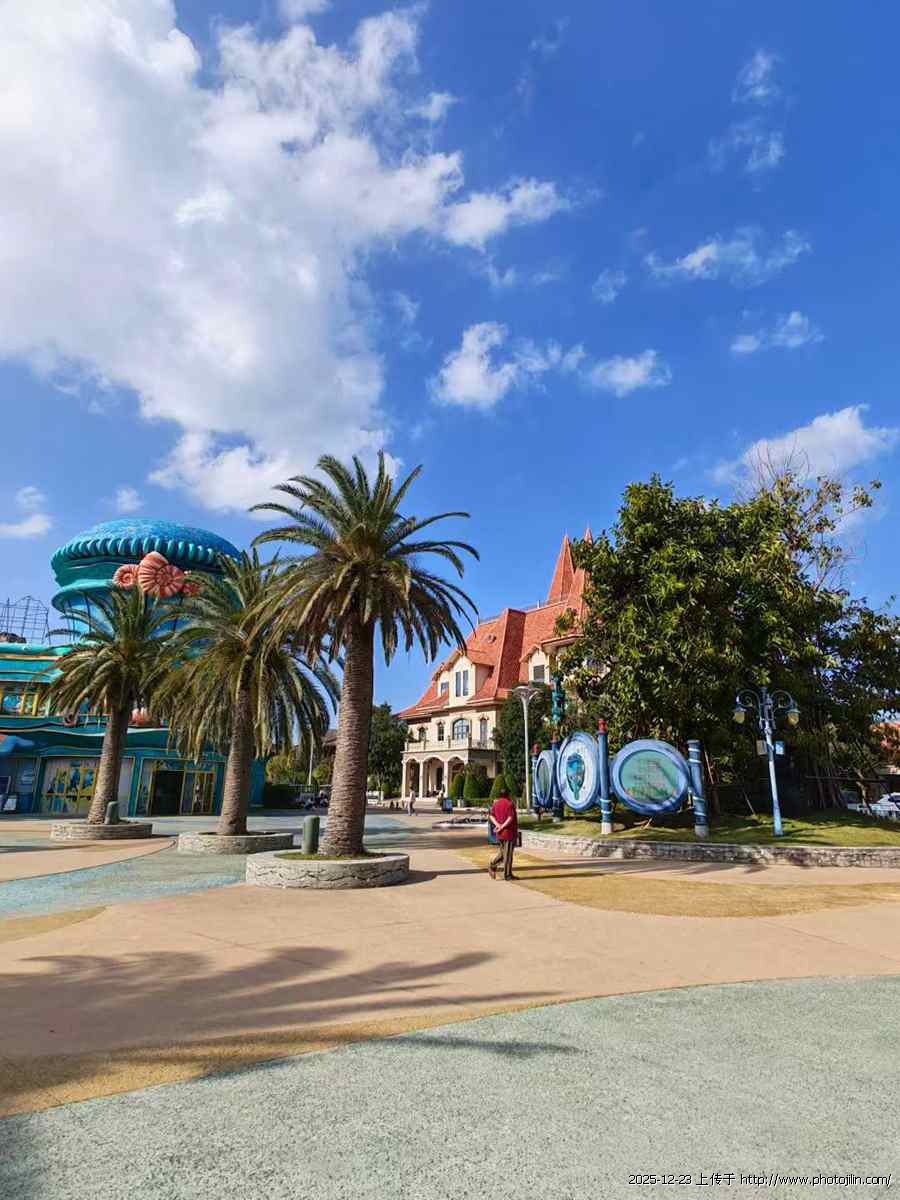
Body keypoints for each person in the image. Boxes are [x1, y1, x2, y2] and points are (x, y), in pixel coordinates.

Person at [488, 787, 518, 880]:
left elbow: (491, 816)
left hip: (500, 833)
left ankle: (493, 866)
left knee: (503, 853)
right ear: (508, 795)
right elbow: (510, 818)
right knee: (508, 855)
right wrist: (502, 826)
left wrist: (498, 825)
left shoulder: (496, 804)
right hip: (508, 833)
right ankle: (507, 875)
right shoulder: (510, 804)